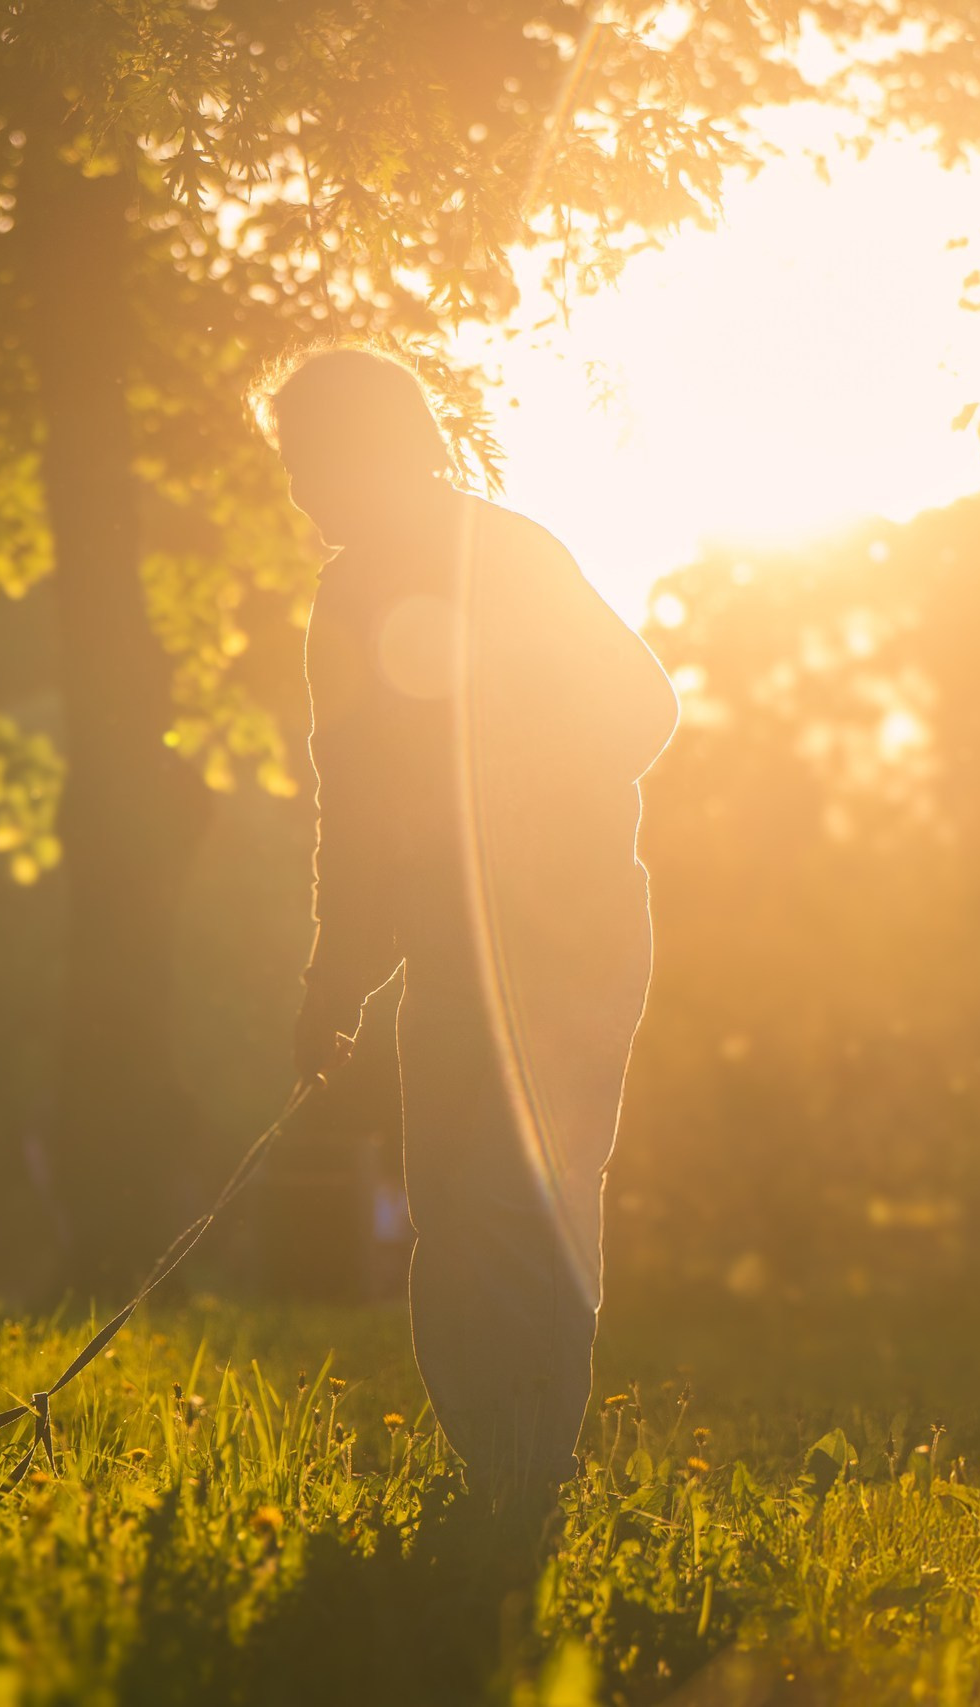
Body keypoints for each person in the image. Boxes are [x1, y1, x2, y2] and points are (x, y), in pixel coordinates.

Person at [262, 347, 678, 1520]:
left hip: (572, 936)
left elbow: (642, 707)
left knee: (521, 1198)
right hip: (450, 955)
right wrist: (332, 981)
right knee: (450, 1208)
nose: (299, 493)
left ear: (381, 448)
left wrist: (512, 811)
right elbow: (351, 799)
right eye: (289, 467)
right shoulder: (343, 599)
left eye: (310, 462)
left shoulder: (511, 556)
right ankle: (489, 1471)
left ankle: (527, 1476)